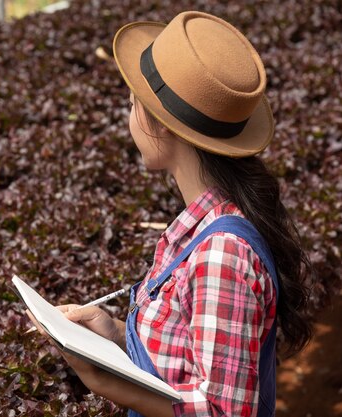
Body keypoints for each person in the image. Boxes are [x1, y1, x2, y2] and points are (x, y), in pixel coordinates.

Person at [26, 11, 313, 417]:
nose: (128, 118)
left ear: (157, 124)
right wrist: (116, 339)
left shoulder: (220, 255)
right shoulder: (205, 226)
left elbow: (223, 411)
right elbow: (189, 365)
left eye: (131, 105)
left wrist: (108, 384)